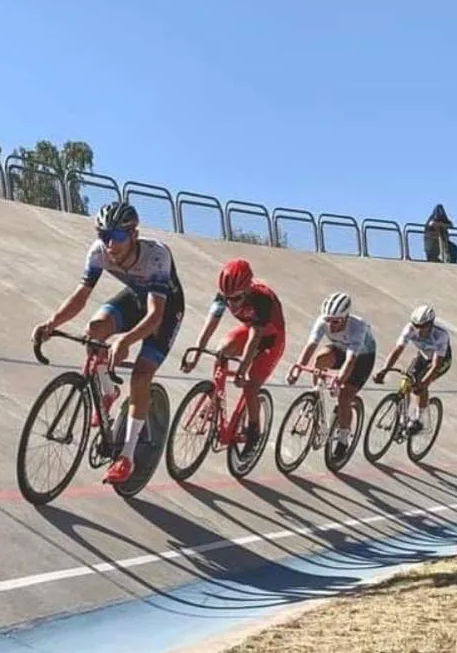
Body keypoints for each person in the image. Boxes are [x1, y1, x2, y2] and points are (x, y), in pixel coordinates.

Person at [32, 201, 185, 486]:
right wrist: (52, 323)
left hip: (164, 311)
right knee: (94, 330)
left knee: (140, 376)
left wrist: (125, 341)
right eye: (104, 235)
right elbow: (81, 296)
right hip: (135, 298)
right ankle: (108, 390)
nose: (110, 244)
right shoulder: (99, 251)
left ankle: (126, 457)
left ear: (134, 235)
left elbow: (155, 315)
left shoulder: (157, 256)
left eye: (117, 236)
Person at [182, 257, 287, 455]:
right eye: (227, 298)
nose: (231, 303)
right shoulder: (225, 294)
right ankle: (215, 400)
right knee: (222, 350)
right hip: (251, 330)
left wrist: (242, 369)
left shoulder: (261, 299)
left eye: (236, 298)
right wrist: (196, 354)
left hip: (272, 339)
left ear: (247, 290)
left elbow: (254, 339)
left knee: (250, 386)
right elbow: (210, 325)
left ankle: (254, 431)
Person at [288, 292, 376, 462]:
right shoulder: (323, 321)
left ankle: (343, 439)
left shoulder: (358, 327)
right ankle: (316, 397)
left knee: (344, 397)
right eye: (328, 320)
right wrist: (298, 368)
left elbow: (351, 360)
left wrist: (339, 379)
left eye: (336, 321)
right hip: (340, 349)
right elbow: (311, 345)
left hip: (361, 358)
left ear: (346, 317)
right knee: (320, 359)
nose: (331, 325)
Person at [375, 304, 452, 435]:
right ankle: (402, 420)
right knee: (406, 382)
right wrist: (384, 370)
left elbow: (435, 366)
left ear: (430, 324)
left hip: (441, 361)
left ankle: (419, 419)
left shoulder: (441, 335)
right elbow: (397, 350)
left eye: (423, 326)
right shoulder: (409, 329)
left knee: (420, 386)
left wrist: (423, 383)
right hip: (423, 356)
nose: (419, 330)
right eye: (416, 325)